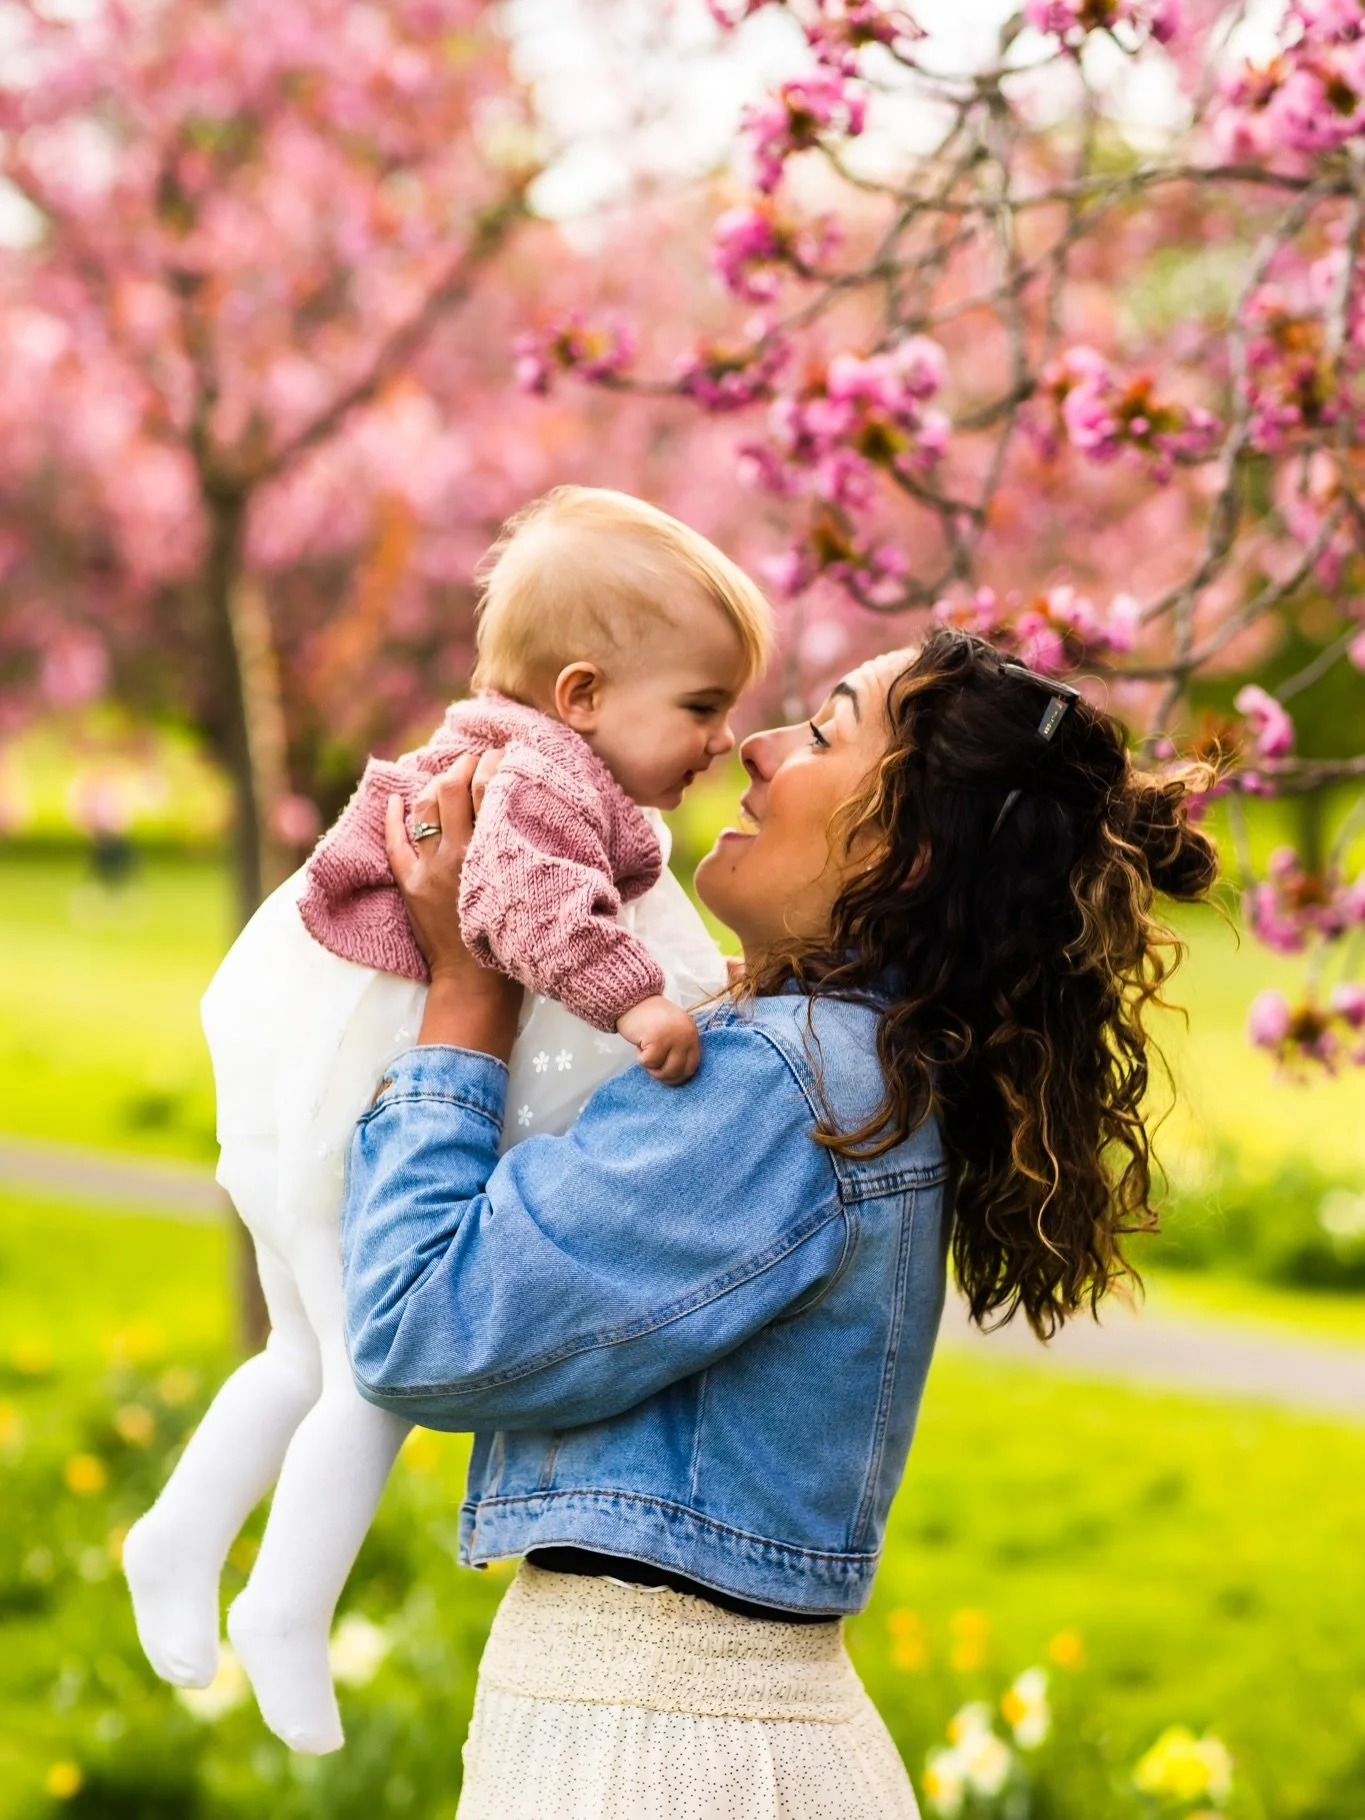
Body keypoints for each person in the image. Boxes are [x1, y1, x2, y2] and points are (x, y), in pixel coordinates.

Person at [342, 627, 1219, 1819]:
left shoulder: (781, 1080)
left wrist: (465, 989)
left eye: (824, 731)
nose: (750, 745)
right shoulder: (856, 1067)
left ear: (906, 850)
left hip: (655, 1748)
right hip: (692, 1732)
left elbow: (421, 1329)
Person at [122, 488, 771, 1754]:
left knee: (305, 1355)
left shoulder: (537, 764)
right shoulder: (536, 781)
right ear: (581, 694)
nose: (722, 739)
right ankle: (285, 1608)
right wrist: (637, 1007)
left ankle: (179, 1534)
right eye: (700, 706)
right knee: (373, 1366)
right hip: (363, 1087)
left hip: (315, 1077)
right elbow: (533, 914)